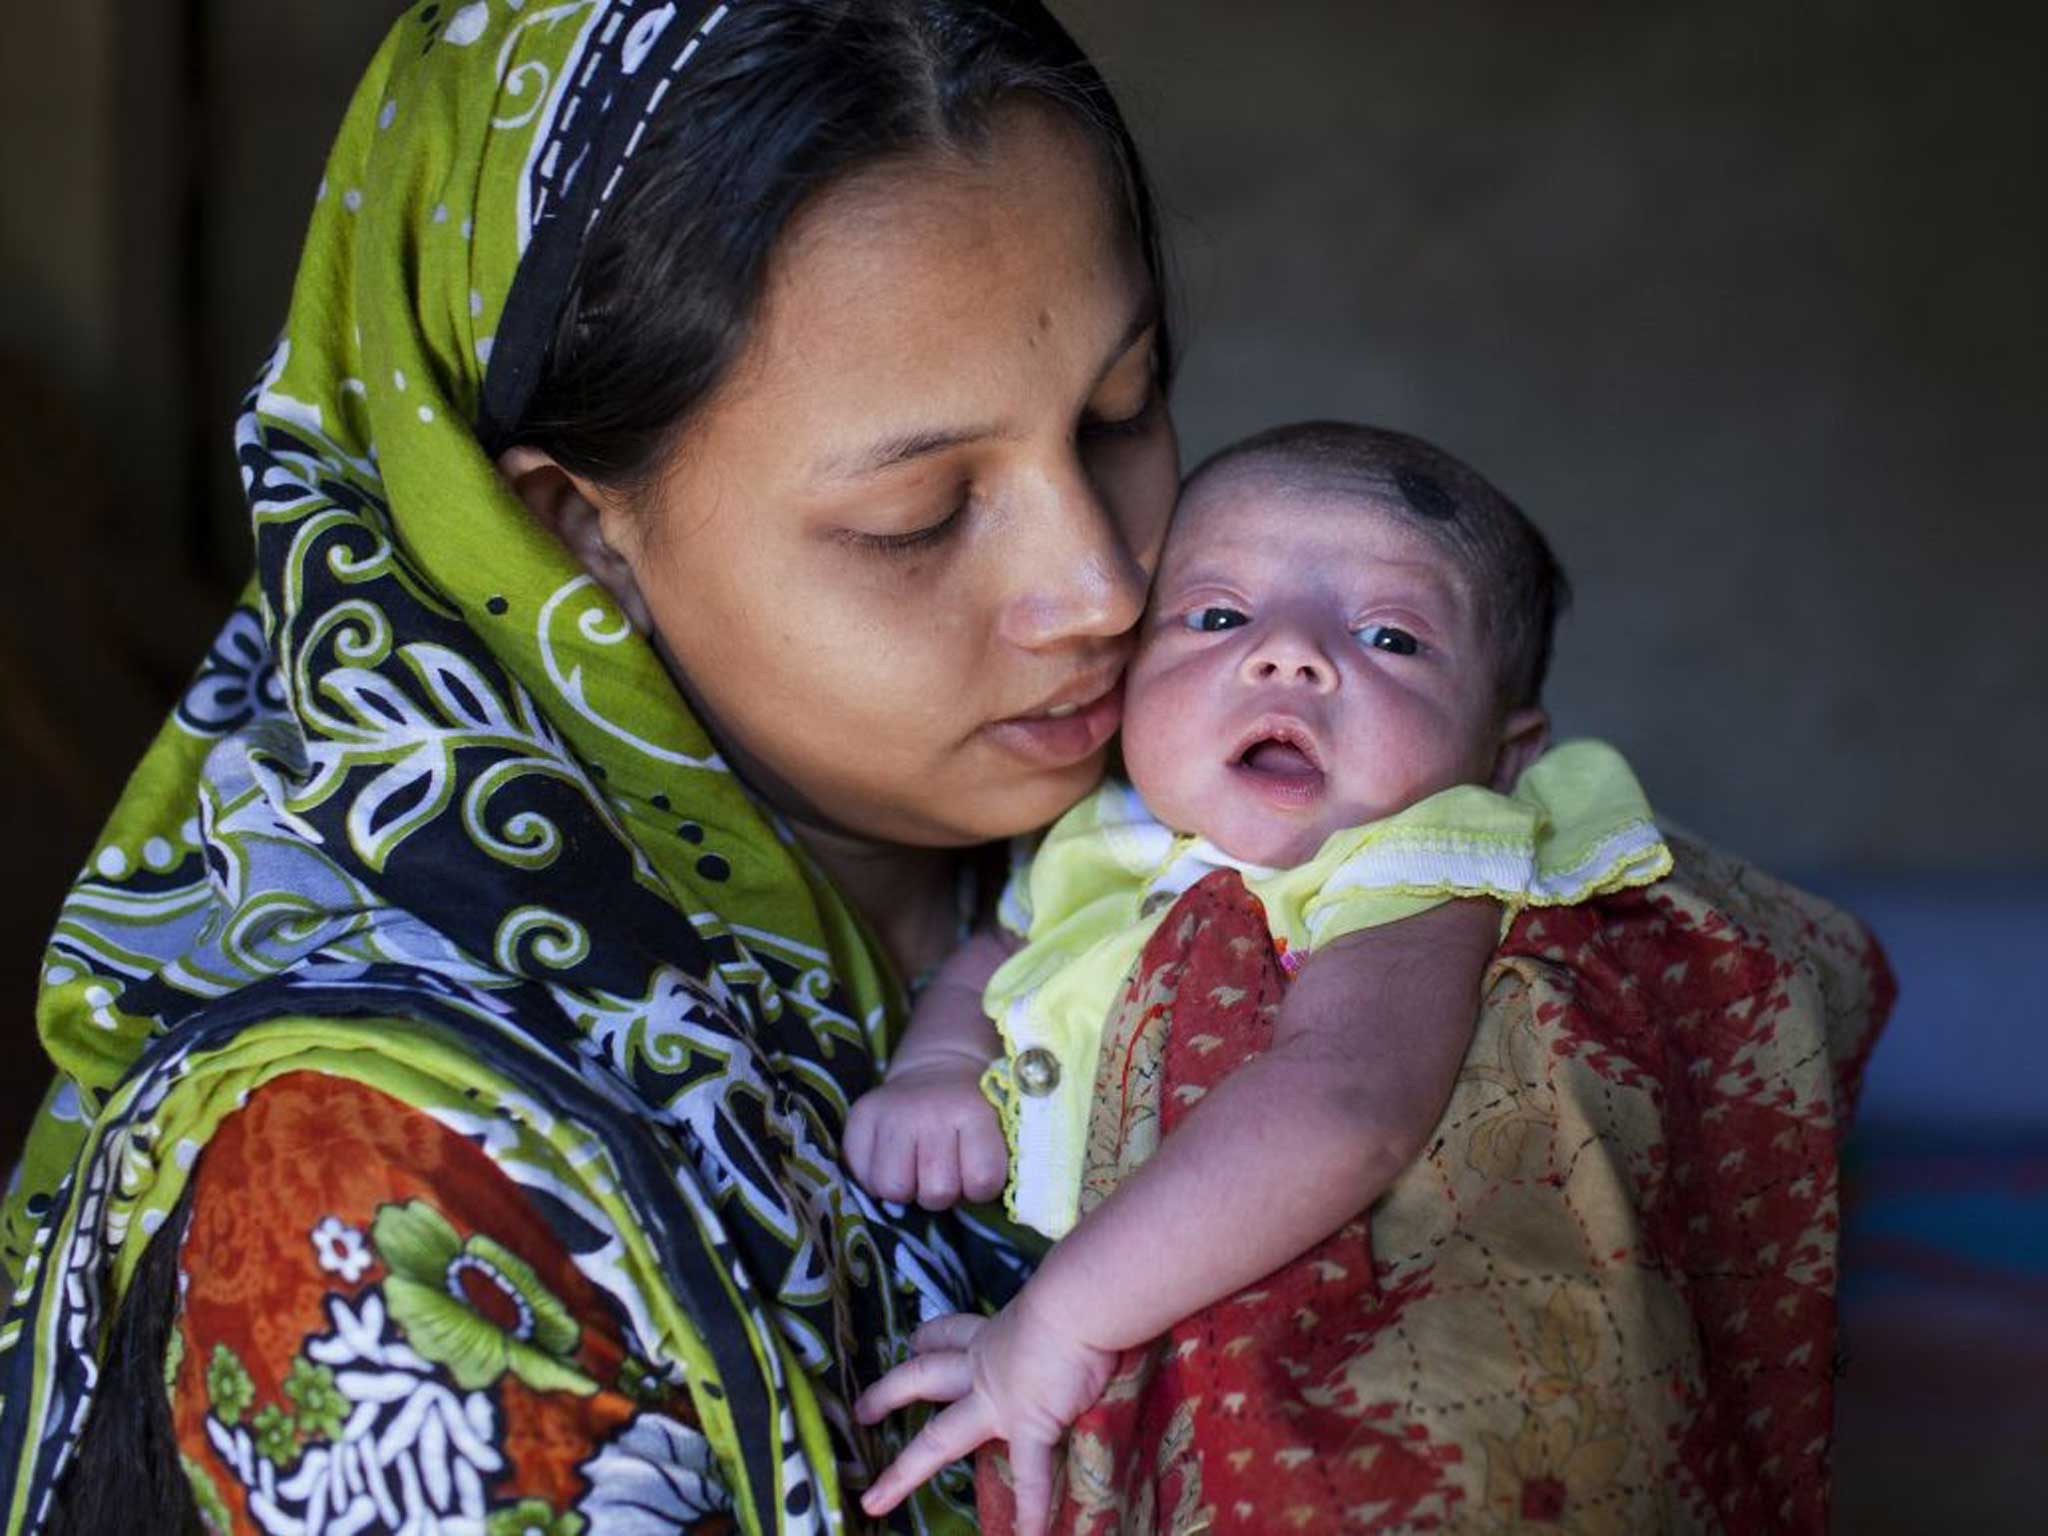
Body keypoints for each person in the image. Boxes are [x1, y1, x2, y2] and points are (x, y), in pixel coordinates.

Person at [0, 3, 1889, 1535]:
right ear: (575, 535)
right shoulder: (371, 1181)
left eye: (1127, 413)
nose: (1098, 587)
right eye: (919, 514)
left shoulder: (1262, 855)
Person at [845, 421, 1673, 1530]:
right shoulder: (1109, 834)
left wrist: (1060, 1326)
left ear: (1501, 754)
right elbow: (1005, 951)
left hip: (1293, 1331)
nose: (1288, 656)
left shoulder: (1409, 865)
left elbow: (1343, 1106)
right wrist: (943, 1064)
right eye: (1220, 616)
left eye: (1388, 637)